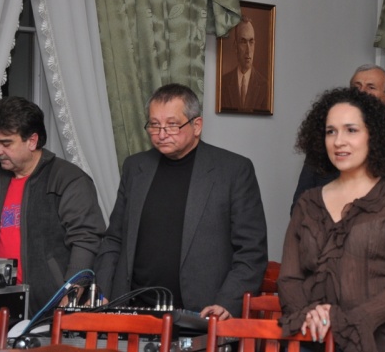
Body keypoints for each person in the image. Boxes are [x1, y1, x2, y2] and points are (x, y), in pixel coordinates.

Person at [95, 83, 268, 319]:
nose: (161, 134)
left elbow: (251, 251)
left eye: (172, 125)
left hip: (202, 313)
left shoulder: (233, 171)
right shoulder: (135, 167)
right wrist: (102, 293)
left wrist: (227, 302)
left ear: (197, 125)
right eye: (154, 125)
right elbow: (114, 239)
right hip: (132, 311)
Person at [279, 87, 385, 352]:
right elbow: (289, 278)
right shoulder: (307, 203)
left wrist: (345, 320)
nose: (339, 141)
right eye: (331, 131)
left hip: (380, 342)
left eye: (351, 130)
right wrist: (310, 314)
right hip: (312, 339)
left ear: (374, 136)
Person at [0, 96, 107, 316]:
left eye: (6, 143)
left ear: (32, 141)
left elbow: (86, 239)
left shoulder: (68, 180)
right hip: (1, 305)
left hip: (51, 307)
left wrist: (72, 292)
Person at [291, 64, 385, 230]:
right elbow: (299, 208)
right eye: (356, 87)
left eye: (371, 87)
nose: (361, 93)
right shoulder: (326, 142)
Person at [221, 17, 269, 112]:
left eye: (251, 42)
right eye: (243, 42)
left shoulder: (265, 86)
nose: (248, 50)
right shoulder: (223, 83)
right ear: (235, 47)